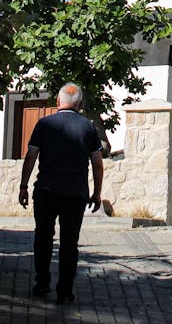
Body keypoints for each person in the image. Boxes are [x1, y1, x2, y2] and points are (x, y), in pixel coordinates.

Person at [18, 82, 103, 305]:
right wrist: (97, 193)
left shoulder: (44, 124)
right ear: (80, 104)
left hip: (46, 190)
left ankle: (42, 283)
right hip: (75, 193)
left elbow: (31, 156)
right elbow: (97, 163)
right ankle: (64, 291)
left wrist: (24, 186)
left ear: (57, 101)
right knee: (69, 242)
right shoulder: (88, 127)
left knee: (43, 237)